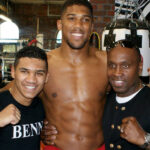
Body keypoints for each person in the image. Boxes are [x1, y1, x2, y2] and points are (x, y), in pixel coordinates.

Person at [0, 0, 108, 150]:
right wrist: (38, 128)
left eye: (85, 19)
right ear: (59, 24)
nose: (78, 25)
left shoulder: (106, 62)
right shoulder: (43, 66)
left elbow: (128, 98)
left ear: (92, 26)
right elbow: (13, 94)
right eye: (71, 18)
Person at [103, 39, 150, 150]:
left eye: (125, 66)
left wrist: (144, 139)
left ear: (140, 66)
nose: (117, 73)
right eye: (112, 65)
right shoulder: (105, 100)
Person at [0, 46, 49, 150]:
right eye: (24, 71)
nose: (31, 80)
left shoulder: (41, 106)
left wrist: (47, 134)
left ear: (46, 77)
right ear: (13, 72)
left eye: (39, 73)